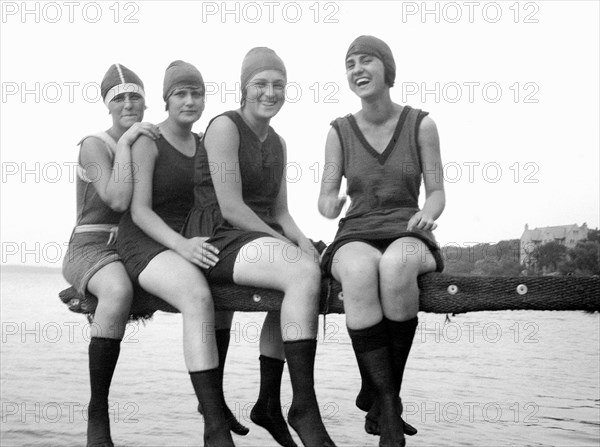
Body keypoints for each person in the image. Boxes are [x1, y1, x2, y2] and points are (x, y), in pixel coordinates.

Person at [183, 47, 335, 447]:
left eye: (279, 85)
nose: (270, 93)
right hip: (220, 235)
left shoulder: (279, 142)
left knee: (317, 267)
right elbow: (232, 207)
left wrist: (301, 241)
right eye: (261, 84)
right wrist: (286, 246)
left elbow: (281, 210)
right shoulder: (224, 128)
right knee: (299, 272)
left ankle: (268, 401)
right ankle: (304, 407)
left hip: (259, 234)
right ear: (243, 89)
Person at [318, 36, 445, 447]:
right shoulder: (339, 131)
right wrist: (330, 204)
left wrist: (430, 212)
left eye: (366, 60)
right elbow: (324, 198)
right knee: (357, 270)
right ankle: (389, 405)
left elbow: (437, 191)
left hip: (408, 229)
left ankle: (379, 391)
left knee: (394, 266)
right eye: (350, 63)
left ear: (386, 68)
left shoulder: (421, 124)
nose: (358, 69)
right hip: (355, 231)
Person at [116, 60, 234, 447]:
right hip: (144, 241)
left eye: (196, 93)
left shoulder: (204, 143)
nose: (189, 101)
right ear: (166, 100)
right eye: (180, 94)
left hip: (187, 240)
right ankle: (216, 427)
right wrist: (182, 245)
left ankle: (211, 403)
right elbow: (139, 210)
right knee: (197, 295)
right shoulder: (149, 140)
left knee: (224, 289)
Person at [62, 63, 160, 447]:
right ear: (108, 105)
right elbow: (118, 198)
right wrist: (124, 143)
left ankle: (212, 405)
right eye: (119, 97)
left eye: (135, 95)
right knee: (117, 291)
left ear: (146, 100)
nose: (129, 103)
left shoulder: (149, 142)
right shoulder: (94, 144)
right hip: (88, 248)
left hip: (132, 247)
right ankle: (97, 413)